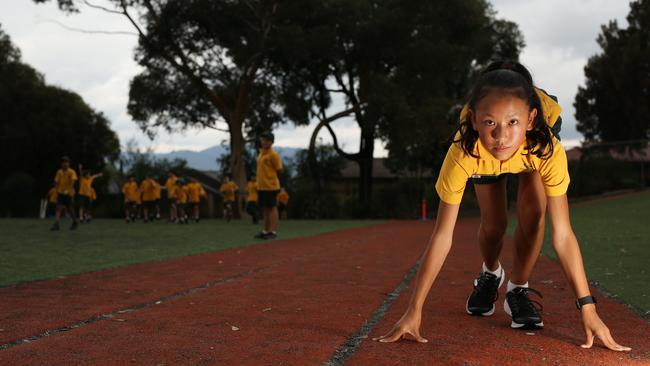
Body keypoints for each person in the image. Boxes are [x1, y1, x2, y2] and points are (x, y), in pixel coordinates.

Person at [372, 61, 630, 352]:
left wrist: (588, 308)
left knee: (533, 215)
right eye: (490, 122)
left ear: (530, 119)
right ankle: (490, 274)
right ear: (474, 119)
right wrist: (414, 309)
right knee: (494, 225)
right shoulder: (465, 150)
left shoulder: (544, 146)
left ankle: (516, 289)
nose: (501, 136)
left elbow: (563, 234)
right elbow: (442, 235)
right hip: (482, 155)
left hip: (531, 149)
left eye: (512, 122)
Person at [254, 132, 283, 239]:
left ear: (272, 142)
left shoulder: (273, 155)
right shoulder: (261, 153)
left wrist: (271, 179)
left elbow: (280, 169)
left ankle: (273, 232)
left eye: (267, 140)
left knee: (272, 208)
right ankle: (265, 231)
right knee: (265, 209)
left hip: (271, 186)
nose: (265, 142)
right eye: (263, 140)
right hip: (261, 186)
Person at [50, 156, 79, 231]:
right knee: (58, 208)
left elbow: (73, 182)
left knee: (70, 209)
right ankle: (56, 224)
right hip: (60, 192)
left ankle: (75, 222)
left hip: (69, 193)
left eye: (66, 162)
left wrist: (68, 190)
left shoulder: (72, 172)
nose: (65, 164)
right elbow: (56, 181)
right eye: (63, 162)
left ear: (69, 163)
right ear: (61, 164)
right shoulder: (59, 172)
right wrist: (55, 190)